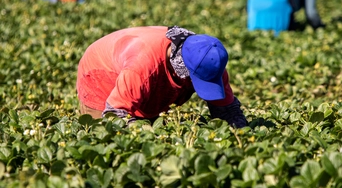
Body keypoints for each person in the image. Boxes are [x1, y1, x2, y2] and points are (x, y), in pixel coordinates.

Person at [76, 25, 247, 128]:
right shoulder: (141, 67)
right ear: (181, 67)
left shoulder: (209, 60)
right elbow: (114, 115)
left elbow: (227, 110)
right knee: (101, 135)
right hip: (101, 71)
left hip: (142, 72)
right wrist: (146, 135)